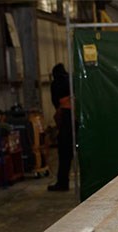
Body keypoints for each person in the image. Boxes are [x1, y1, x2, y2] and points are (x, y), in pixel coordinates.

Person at [48, 63, 72, 192]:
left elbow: (55, 102)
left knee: (64, 154)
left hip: (66, 120)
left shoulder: (56, 84)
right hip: (79, 119)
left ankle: (63, 183)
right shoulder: (72, 80)